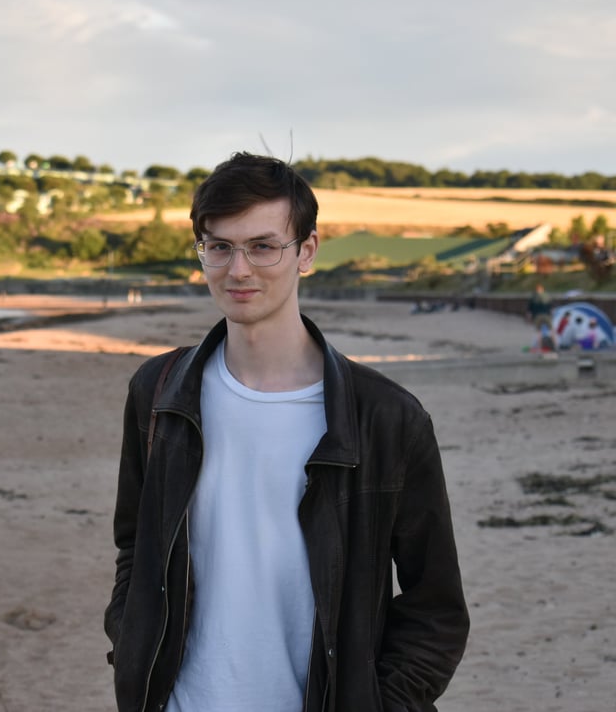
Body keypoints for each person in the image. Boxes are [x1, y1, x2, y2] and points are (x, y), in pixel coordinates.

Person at [104, 152, 469, 712]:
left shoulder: (387, 419)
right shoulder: (158, 393)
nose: (238, 269)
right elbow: (136, 546)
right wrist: (130, 646)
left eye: (263, 246)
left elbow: (435, 608)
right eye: (219, 246)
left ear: (307, 252)